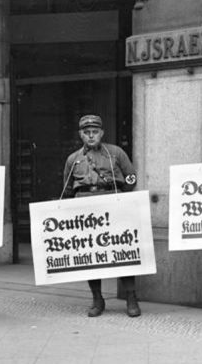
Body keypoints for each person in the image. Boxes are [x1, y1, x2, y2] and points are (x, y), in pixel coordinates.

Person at [61, 114, 141, 318]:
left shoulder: (115, 153)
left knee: (123, 252)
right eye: (86, 133)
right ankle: (97, 298)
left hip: (112, 204)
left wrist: (120, 196)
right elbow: (68, 189)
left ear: (101, 133)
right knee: (91, 255)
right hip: (86, 207)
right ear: (81, 135)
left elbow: (131, 177)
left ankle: (131, 297)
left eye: (94, 132)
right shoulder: (73, 159)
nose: (90, 136)